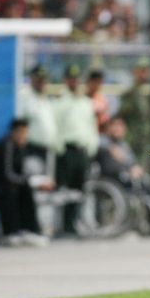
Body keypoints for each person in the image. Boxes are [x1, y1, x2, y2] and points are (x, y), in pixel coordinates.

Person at [0, 119, 54, 247]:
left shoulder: (19, 148)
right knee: (9, 190)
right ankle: (10, 232)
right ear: (14, 132)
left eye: (26, 133)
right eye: (22, 133)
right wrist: (31, 181)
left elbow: (19, 175)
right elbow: (6, 176)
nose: (24, 136)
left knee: (24, 189)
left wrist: (36, 182)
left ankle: (29, 230)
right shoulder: (5, 146)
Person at [97, 117, 150, 227]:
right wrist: (111, 149)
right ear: (108, 128)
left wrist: (135, 168)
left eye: (120, 126)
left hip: (131, 177)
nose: (117, 129)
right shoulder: (104, 143)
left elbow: (131, 162)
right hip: (117, 179)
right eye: (114, 126)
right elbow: (109, 164)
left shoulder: (123, 145)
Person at [54, 64, 99, 235]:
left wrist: (91, 147)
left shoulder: (85, 102)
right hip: (67, 150)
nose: (74, 82)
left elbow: (91, 126)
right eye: (71, 79)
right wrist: (59, 149)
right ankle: (63, 225)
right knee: (65, 190)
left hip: (82, 151)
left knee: (80, 189)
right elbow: (55, 126)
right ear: (66, 80)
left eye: (76, 79)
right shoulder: (61, 101)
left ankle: (75, 222)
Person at [18, 64, 58, 172]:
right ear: (32, 78)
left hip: (47, 150)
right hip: (31, 149)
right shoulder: (25, 97)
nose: (41, 82)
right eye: (39, 79)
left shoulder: (46, 100)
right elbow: (19, 123)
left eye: (44, 79)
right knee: (33, 177)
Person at [117, 56, 150, 170]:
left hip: (147, 141)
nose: (144, 74)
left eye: (146, 71)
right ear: (135, 72)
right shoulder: (129, 94)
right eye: (141, 71)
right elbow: (122, 115)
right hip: (132, 141)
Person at [86, 69, 111, 133]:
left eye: (99, 82)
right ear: (88, 82)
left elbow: (105, 122)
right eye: (94, 81)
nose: (96, 84)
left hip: (98, 133)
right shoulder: (82, 99)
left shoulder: (103, 100)